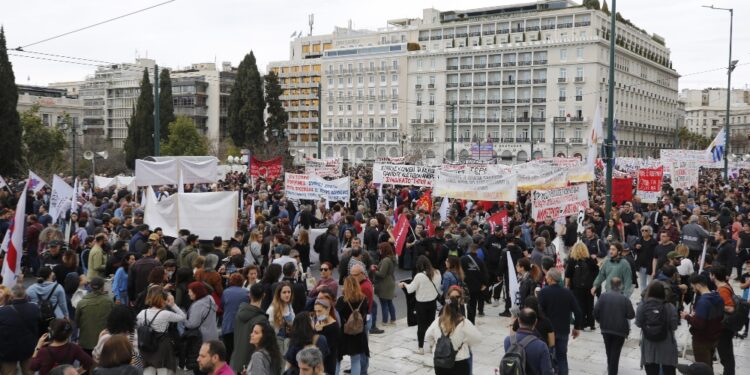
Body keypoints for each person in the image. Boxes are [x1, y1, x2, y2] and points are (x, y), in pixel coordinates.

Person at [424, 291, 481, 375]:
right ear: (458, 307)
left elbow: (428, 336)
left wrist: (436, 344)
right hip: (459, 362)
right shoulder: (464, 322)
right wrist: (465, 342)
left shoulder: (438, 321)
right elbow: (477, 339)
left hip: (440, 362)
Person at [538, 269, 582, 375]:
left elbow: (539, 311)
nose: (546, 278)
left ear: (551, 278)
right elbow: (578, 311)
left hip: (548, 331)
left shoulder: (544, 292)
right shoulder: (567, 292)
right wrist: (577, 327)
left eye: (547, 276)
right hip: (563, 330)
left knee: (548, 357)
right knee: (562, 358)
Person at [135, 285, 187, 374]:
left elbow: (137, 327)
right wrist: (173, 305)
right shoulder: (165, 314)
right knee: (163, 370)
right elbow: (183, 317)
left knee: (148, 370)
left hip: (146, 346)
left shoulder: (142, 313)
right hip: (162, 346)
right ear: (163, 298)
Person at [399, 256, 442, 354]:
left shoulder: (419, 276)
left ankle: (421, 347)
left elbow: (410, 289)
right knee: (431, 325)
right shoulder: (438, 273)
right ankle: (432, 345)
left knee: (421, 326)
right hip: (432, 302)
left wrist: (404, 284)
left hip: (421, 304)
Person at [680, 273, 724, 367]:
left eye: (693, 287)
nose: (693, 289)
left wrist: (687, 317)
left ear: (698, 285)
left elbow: (699, 324)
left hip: (702, 340)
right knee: (708, 365)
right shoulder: (718, 297)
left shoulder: (703, 302)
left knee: (702, 368)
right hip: (714, 337)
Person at [635, 282, 679, 375]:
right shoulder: (670, 307)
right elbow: (674, 326)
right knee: (668, 370)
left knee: (651, 370)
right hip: (666, 343)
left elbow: (638, 323)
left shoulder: (642, 305)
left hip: (648, 343)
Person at [593, 277, 635, 375]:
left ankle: (610, 369)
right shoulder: (624, 299)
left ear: (610, 285)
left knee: (609, 351)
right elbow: (631, 315)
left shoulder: (603, 296)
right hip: (619, 331)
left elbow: (595, 311)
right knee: (615, 353)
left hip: (606, 329)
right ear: (621, 286)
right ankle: (612, 371)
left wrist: (600, 321)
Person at [0, 284, 41, 375]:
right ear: (25, 295)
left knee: (9, 373)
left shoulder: (2, 312)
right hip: (29, 348)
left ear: (11, 295)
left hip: (8, 351)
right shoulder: (34, 308)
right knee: (29, 372)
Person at [29, 319, 94, 375]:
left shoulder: (43, 351)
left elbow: (33, 367)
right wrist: (77, 372)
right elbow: (89, 362)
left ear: (50, 331)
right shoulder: (74, 347)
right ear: (69, 334)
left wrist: (37, 347)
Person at [229, 284, 269, 373]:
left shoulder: (240, 312)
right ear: (264, 295)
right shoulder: (261, 319)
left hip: (236, 359)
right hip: (251, 362)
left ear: (249, 295)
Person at [502, 308, 554, 375]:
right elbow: (547, 372)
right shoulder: (541, 346)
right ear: (535, 322)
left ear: (518, 320)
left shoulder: (508, 340)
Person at [335, 276, 370, 375]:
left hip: (344, 334)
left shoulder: (342, 300)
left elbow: (337, 318)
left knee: (337, 360)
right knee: (355, 360)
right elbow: (365, 314)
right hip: (358, 334)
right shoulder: (363, 298)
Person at [74, 277, 114, 354]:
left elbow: (77, 322)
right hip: (104, 341)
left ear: (90, 286)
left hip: (86, 341)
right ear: (102, 287)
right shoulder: (109, 301)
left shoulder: (81, 303)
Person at [564, 242, 598, 330]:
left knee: (580, 305)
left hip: (577, 287)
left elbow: (568, 275)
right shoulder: (590, 260)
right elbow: (596, 273)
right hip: (589, 286)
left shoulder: (572, 260)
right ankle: (591, 323)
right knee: (590, 305)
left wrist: (566, 286)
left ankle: (581, 324)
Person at [710, 266, 736, 375]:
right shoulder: (723, 287)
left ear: (714, 276)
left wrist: (716, 303)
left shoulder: (723, 290)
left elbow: (730, 308)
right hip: (723, 327)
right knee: (726, 355)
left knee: (726, 356)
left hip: (724, 328)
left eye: (710, 274)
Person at [221, 274, 249, 359]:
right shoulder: (247, 293)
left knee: (228, 351)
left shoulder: (226, 292)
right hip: (242, 325)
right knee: (240, 352)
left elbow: (222, 306)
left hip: (228, 324)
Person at [461, 243, 488, 323]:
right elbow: (484, 274)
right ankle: (471, 322)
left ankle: (463, 322)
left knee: (463, 305)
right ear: (477, 250)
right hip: (477, 286)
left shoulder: (463, 259)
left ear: (469, 249)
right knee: (473, 305)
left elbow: (460, 271)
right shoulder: (480, 261)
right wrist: (484, 284)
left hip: (465, 286)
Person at [266, 281, 294, 359]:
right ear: (279, 294)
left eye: (289, 292)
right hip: (277, 345)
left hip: (289, 343)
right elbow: (269, 331)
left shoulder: (289, 306)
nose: (287, 294)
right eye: (284, 292)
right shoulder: (272, 310)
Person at [313, 298, 341, 375]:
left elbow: (325, 347)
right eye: (316, 311)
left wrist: (318, 331)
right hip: (317, 361)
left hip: (328, 362)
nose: (317, 314)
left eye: (319, 311)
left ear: (328, 309)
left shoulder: (334, 326)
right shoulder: (319, 323)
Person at [373, 242, 397, 326]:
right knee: (389, 302)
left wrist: (374, 270)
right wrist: (378, 267)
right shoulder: (392, 258)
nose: (379, 250)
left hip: (384, 284)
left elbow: (382, 274)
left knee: (384, 303)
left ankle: (384, 321)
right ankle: (393, 319)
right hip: (390, 281)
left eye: (380, 249)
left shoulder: (386, 260)